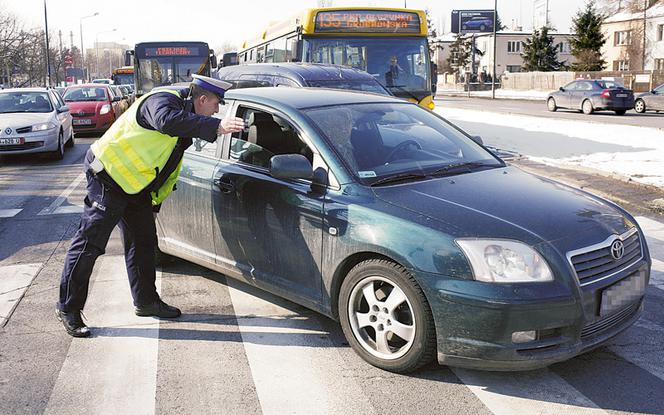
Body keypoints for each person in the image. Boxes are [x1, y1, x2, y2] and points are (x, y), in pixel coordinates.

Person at [56, 74, 245, 337]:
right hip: (107, 177)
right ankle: (68, 308)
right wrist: (216, 125)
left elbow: (166, 164)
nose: (217, 110)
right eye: (216, 104)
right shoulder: (163, 101)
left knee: (144, 243)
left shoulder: (185, 115)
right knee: (90, 244)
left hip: (135, 188)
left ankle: (146, 302)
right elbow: (167, 122)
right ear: (202, 100)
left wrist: (154, 200)